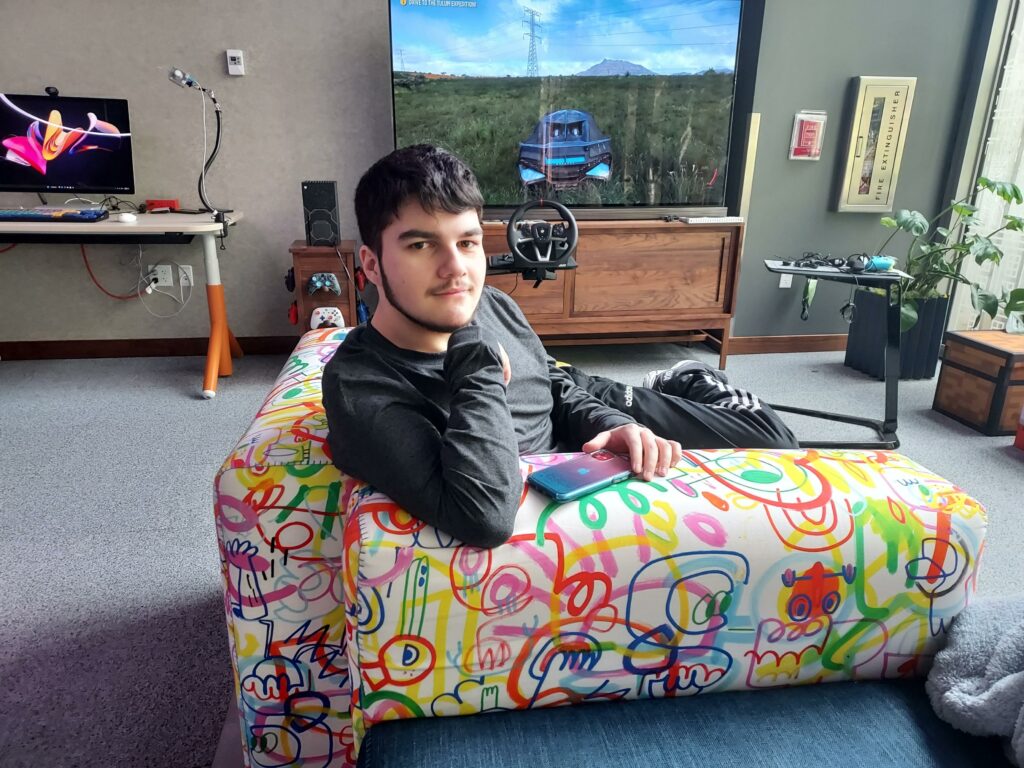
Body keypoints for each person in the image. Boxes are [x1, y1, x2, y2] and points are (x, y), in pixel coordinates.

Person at [323, 145, 796, 548]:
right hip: (559, 435)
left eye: (467, 243)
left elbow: (549, 382)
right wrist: (471, 350)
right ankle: (682, 382)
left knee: (773, 440)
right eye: (421, 246)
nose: (456, 270)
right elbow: (484, 515)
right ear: (370, 263)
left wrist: (609, 423)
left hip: (580, 395)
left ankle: (690, 377)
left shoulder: (486, 302)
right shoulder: (362, 385)